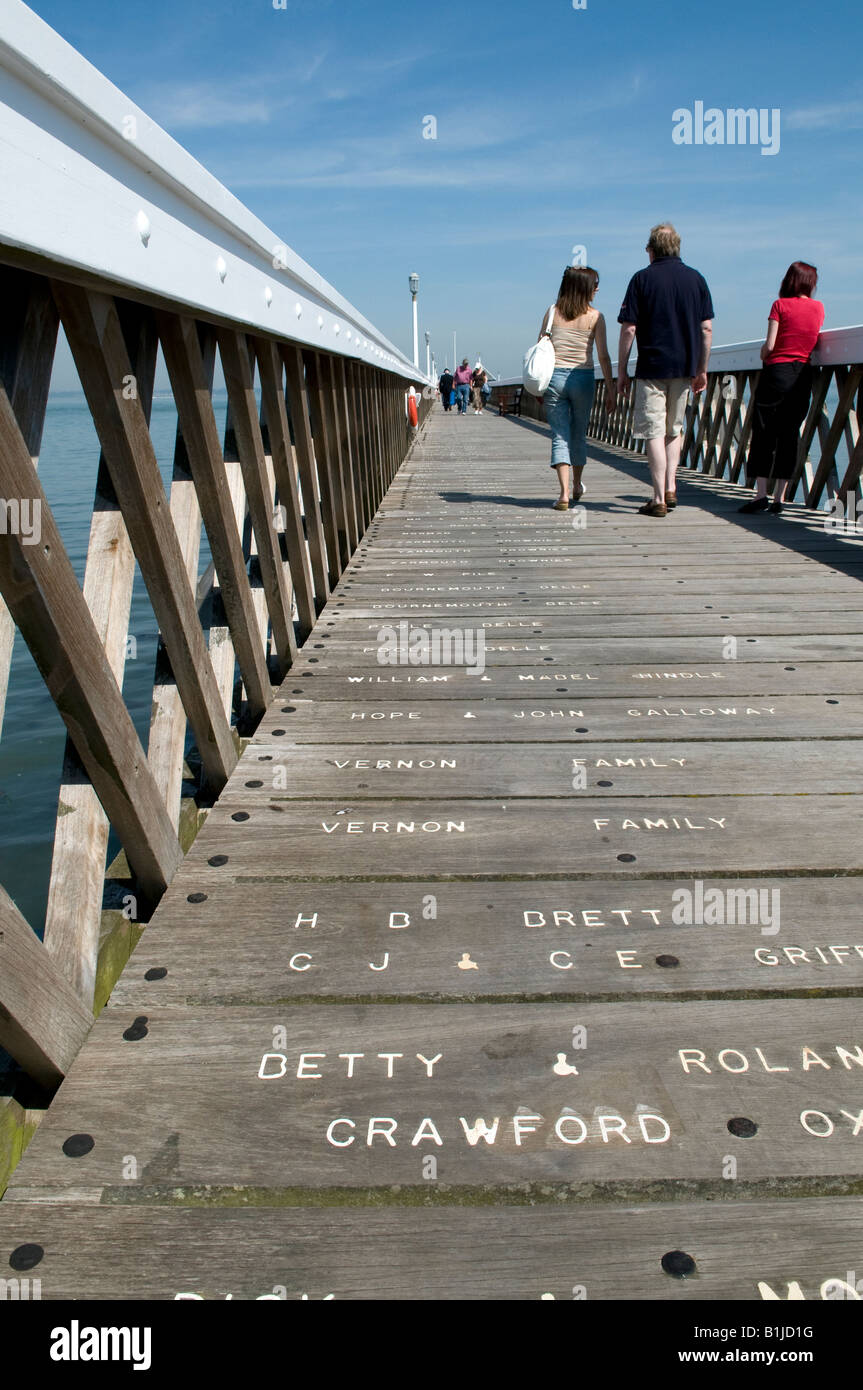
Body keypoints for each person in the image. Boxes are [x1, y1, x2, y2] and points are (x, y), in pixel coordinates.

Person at [617, 224, 714, 517]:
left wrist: (622, 370)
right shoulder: (696, 279)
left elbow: (629, 329)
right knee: (674, 429)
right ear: (677, 247)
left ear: (651, 249)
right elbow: (706, 329)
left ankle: (658, 498)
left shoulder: (641, 279)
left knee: (653, 432)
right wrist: (702, 369)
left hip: (651, 367)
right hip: (685, 368)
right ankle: (672, 486)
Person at [739, 262, 824, 515]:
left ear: (789, 280)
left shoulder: (780, 305)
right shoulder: (818, 308)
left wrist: (763, 352)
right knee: (789, 433)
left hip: (776, 372)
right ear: (810, 283)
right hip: (802, 374)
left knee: (764, 430)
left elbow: (770, 345)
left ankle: (761, 495)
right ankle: (780, 498)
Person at [541, 266, 616, 510]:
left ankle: (563, 495)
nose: (597, 289)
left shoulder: (552, 312)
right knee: (578, 433)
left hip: (554, 378)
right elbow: (603, 356)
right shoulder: (596, 317)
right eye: (595, 285)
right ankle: (577, 484)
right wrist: (611, 388)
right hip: (583, 378)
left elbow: (541, 348)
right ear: (584, 288)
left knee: (559, 435)